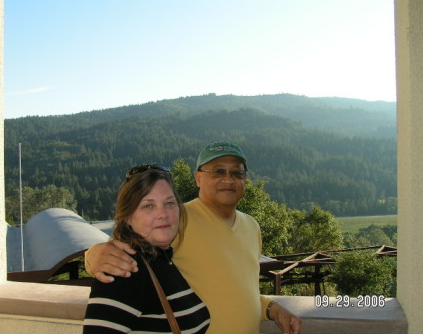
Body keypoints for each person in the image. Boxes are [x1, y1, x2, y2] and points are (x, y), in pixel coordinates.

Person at [85, 141, 301, 334]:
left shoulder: (251, 226)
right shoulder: (177, 218)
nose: (228, 179)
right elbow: (130, 250)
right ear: (198, 178)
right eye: (218, 171)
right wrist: (92, 256)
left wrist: (271, 309)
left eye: (237, 173)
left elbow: (238, 291)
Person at [83, 165, 211, 333]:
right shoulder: (126, 271)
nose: (163, 214)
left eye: (169, 203)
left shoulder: (163, 262)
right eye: (149, 206)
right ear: (128, 217)